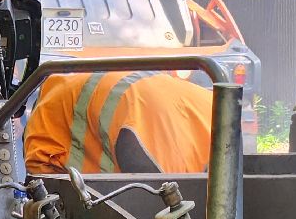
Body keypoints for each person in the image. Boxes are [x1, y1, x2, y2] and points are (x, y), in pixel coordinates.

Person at [24, 69, 213, 175]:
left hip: (141, 117)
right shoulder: (64, 97)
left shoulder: (42, 133)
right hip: (206, 106)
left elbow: (45, 188)